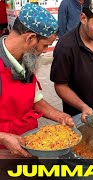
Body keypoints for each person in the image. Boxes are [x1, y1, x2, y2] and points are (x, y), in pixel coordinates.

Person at [0, 3, 74, 158]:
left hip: (28, 146)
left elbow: (36, 100)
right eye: (45, 45)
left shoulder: (26, 60)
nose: (46, 51)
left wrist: (61, 116)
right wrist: (3, 137)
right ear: (30, 38)